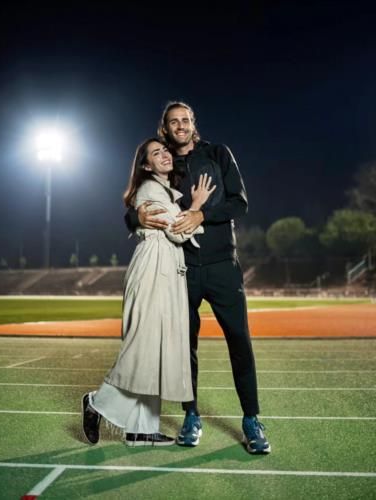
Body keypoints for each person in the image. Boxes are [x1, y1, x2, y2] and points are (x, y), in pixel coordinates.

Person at [125, 102, 271, 454]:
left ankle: (251, 419)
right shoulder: (164, 162)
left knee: (240, 340)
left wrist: (200, 213)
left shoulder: (218, 154)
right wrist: (135, 218)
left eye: (186, 120)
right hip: (182, 269)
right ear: (165, 127)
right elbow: (137, 200)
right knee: (183, 347)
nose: (180, 125)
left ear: (194, 123)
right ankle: (191, 415)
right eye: (173, 121)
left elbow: (240, 203)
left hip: (223, 265)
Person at [81, 137, 215, 447]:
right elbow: (177, 231)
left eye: (165, 150)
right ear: (146, 164)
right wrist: (196, 206)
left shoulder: (165, 192)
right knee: (143, 346)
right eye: (156, 153)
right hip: (152, 270)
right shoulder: (149, 190)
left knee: (156, 349)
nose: (165, 155)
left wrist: (188, 206)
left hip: (166, 270)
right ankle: (97, 402)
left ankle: (141, 429)